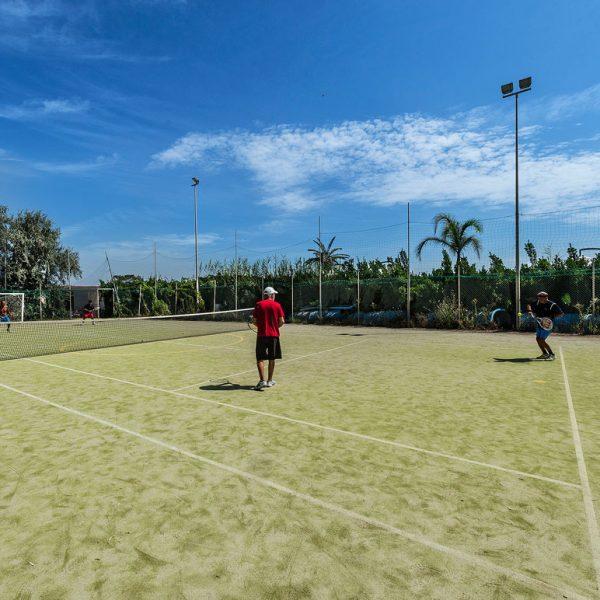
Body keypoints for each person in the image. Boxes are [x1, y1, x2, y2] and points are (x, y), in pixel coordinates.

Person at [252, 286, 285, 390]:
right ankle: (270, 381)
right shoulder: (277, 305)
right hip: (274, 336)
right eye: (274, 294)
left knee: (260, 358)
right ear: (271, 295)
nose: (275, 295)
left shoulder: (258, 305)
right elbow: (282, 321)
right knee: (272, 358)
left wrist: (261, 327)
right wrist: (275, 327)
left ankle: (262, 381)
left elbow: (254, 321)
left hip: (261, 335)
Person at [526, 291, 563, 360]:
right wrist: (530, 311)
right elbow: (529, 305)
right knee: (538, 339)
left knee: (541, 340)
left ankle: (552, 354)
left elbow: (561, 313)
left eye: (542, 297)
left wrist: (549, 317)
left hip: (548, 325)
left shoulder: (552, 305)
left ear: (546, 297)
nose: (540, 299)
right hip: (540, 323)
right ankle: (545, 354)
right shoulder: (537, 303)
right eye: (539, 297)